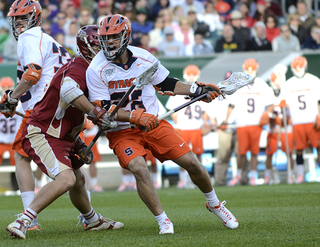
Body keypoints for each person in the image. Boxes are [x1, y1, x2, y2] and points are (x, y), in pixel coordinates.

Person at [86, 14, 238, 235]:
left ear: (126, 36)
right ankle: (162, 219)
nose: (109, 42)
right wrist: (135, 117)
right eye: (105, 38)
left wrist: (196, 91)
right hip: (122, 131)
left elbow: (166, 84)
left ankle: (214, 203)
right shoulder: (96, 68)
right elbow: (102, 108)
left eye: (115, 37)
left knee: (192, 162)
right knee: (139, 168)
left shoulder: (144, 57)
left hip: (154, 123)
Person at [4, 25, 124, 240]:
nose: (104, 49)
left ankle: (92, 220)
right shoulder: (79, 68)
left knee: (78, 178)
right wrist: (96, 112)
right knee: (67, 178)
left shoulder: (91, 69)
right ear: (87, 48)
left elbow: (69, 115)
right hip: (42, 131)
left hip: (60, 133)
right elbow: (69, 92)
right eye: (99, 45)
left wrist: (78, 144)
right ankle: (24, 220)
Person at [0, 0, 73, 231]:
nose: (19, 23)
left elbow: (32, 73)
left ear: (35, 18)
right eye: (16, 19)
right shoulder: (51, 41)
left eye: (23, 18)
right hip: (64, 106)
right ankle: (90, 217)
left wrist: (12, 97)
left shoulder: (29, 37)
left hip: (43, 106)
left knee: (22, 158)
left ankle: (29, 218)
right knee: (74, 165)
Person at [227, 59, 275, 186]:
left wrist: (267, 114)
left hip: (256, 123)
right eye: (248, 70)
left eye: (252, 69)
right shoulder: (238, 84)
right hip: (242, 123)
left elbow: (270, 105)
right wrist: (226, 121)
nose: (250, 72)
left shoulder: (262, 84)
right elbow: (231, 105)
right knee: (241, 152)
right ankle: (238, 175)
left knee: (255, 152)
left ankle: (253, 176)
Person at [279, 56, 320, 184]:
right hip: (297, 120)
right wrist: (283, 108)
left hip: (312, 119)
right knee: (299, 150)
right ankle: (300, 175)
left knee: (318, 147)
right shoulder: (288, 84)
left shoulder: (314, 80)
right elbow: (283, 103)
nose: (298, 69)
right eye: (295, 67)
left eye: (300, 67)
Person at [165, 65, 207, 189]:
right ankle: (183, 179)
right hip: (183, 127)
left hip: (196, 127)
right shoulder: (181, 91)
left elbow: (205, 112)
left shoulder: (201, 90)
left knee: (198, 156)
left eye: (194, 74)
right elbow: (173, 111)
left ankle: (199, 178)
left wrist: (207, 124)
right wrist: (177, 124)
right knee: (182, 155)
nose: (192, 77)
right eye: (190, 74)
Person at [264, 64, 294, 184]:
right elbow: (266, 112)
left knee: (289, 152)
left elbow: (292, 110)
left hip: (286, 128)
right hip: (273, 129)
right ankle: (268, 176)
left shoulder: (286, 93)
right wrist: (271, 117)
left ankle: (290, 175)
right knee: (270, 153)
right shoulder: (268, 93)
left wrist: (286, 107)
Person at [83, 119, 104, 193]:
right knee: (76, 162)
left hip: (91, 136)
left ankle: (94, 184)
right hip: (81, 135)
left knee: (92, 161)